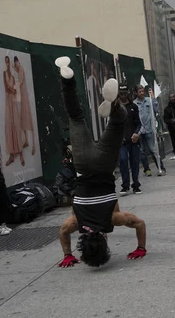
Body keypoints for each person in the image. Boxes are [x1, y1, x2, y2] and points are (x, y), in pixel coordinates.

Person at [53, 57, 147, 268]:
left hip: (104, 166)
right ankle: (67, 79)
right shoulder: (75, 223)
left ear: (105, 243)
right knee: (76, 117)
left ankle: (114, 105)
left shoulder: (114, 220)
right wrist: (67, 255)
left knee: (119, 122)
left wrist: (141, 248)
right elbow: (63, 232)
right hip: (84, 166)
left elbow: (140, 224)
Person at [134, 85, 165, 176]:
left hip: (149, 129)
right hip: (140, 131)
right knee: (142, 151)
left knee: (153, 149)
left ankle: (161, 167)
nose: (142, 93)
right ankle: (147, 169)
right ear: (136, 93)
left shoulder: (149, 100)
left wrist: (153, 98)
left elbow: (156, 109)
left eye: (143, 91)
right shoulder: (134, 103)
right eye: (139, 91)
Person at [117, 84, 142, 196]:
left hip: (133, 140)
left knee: (135, 162)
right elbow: (112, 125)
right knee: (123, 161)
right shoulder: (115, 108)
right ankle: (125, 185)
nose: (123, 95)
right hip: (121, 141)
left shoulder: (133, 106)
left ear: (128, 93)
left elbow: (138, 123)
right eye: (121, 93)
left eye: (125, 93)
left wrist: (136, 133)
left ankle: (136, 185)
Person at [14, 56, 36, 156]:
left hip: (24, 96)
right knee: (23, 118)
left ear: (19, 62)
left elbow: (21, 81)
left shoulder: (21, 69)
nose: (16, 66)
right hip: (22, 96)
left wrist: (14, 86)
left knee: (27, 118)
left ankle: (32, 144)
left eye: (16, 64)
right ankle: (27, 140)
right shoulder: (19, 69)